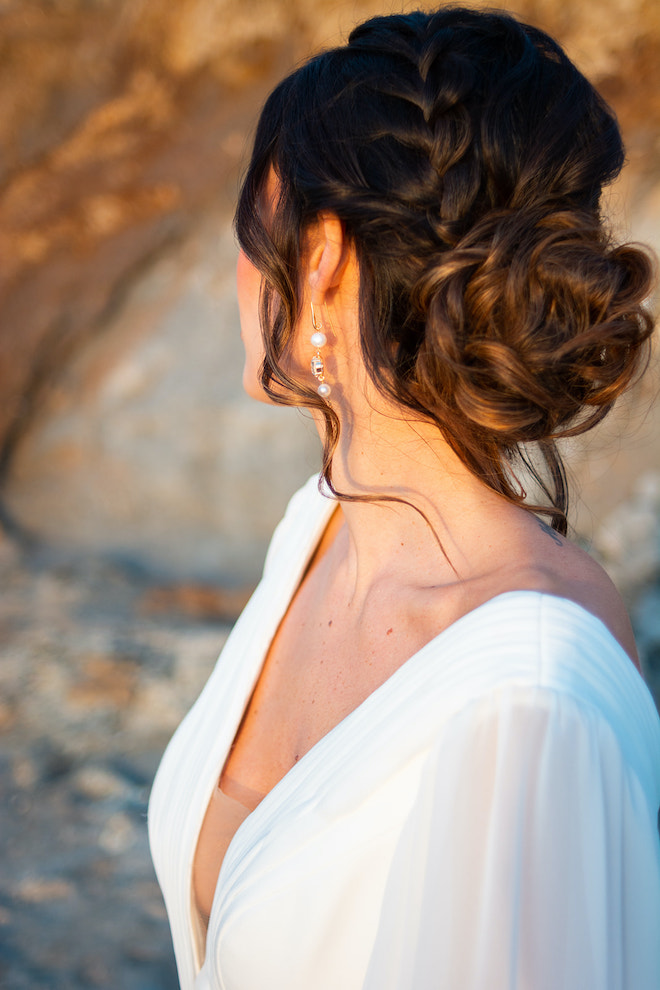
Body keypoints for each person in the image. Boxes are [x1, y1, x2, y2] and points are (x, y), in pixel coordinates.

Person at [148, 7, 660, 989]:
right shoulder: (318, 532)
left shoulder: (531, 700)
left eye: (253, 230)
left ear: (324, 253)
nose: (238, 270)